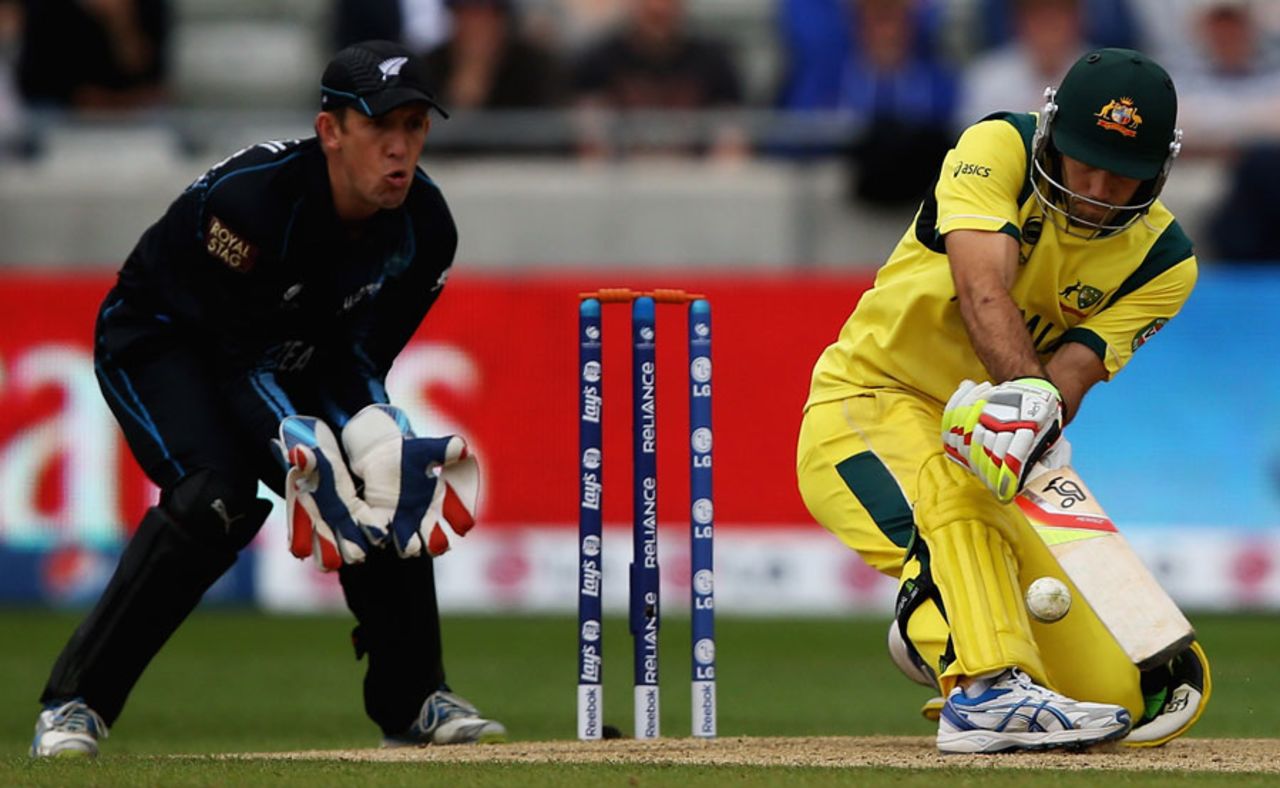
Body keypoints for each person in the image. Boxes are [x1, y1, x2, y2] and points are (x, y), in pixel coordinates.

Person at [29, 40, 506, 758]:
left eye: (414, 126)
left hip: (291, 349)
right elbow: (231, 358)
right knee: (213, 502)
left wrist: (375, 432)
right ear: (330, 132)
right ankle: (74, 705)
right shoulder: (250, 204)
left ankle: (413, 704)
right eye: (381, 127)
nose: (399, 148)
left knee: (386, 475)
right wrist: (298, 441)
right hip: (162, 342)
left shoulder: (425, 231)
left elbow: (358, 358)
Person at [796, 48, 1210, 753]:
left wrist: (1039, 411)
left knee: (1110, 696)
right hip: (870, 403)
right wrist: (1022, 399)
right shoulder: (998, 147)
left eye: (1123, 175)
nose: (1097, 189)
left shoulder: (1166, 262)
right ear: (1050, 134)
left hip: (999, 451)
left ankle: (930, 627)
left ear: (1162, 170)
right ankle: (984, 688)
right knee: (950, 491)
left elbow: (1073, 372)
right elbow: (982, 288)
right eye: (1084, 162)